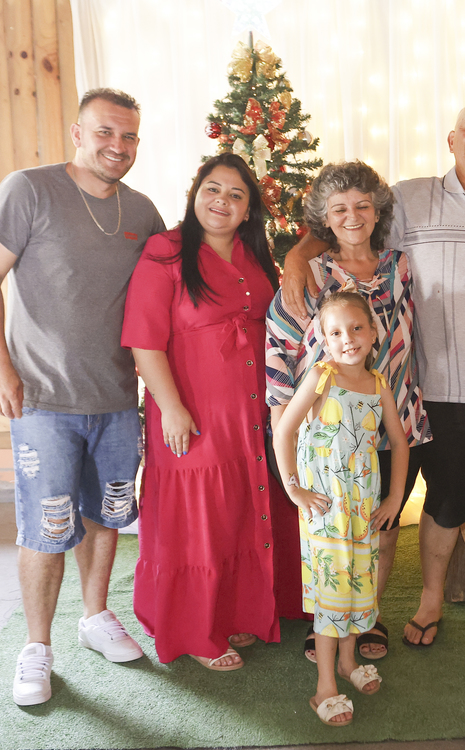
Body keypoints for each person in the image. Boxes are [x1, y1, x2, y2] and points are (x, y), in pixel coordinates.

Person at [283, 100, 465, 658]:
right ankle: (430, 601)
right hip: (436, 390)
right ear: (451, 140)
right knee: (445, 501)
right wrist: (297, 256)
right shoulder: (411, 199)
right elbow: (348, 225)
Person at [0, 88, 165, 706]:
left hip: (116, 398)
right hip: (42, 401)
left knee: (107, 515)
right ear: (78, 133)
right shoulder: (29, 190)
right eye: (105, 132)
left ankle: (95, 616)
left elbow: (164, 296)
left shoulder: (143, 211)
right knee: (46, 526)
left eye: (128, 136)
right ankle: (36, 646)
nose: (117, 146)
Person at [121, 153, 301, 670]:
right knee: (199, 520)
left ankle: (239, 611)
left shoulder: (255, 254)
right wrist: (171, 409)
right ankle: (196, 631)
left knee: (241, 509)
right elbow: (144, 342)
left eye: (236, 195)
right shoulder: (166, 252)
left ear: (249, 210)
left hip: (253, 413)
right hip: (192, 412)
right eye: (213, 189)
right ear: (195, 194)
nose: (222, 201)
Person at [265, 161, 430, 662]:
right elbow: (280, 353)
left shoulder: (401, 266)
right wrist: (285, 442)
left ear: (377, 210)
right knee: (328, 537)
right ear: (324, 218)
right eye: (339, 209)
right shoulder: (309, 274)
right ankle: (328, 623)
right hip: (330, 437)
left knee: (382, 530)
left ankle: (366, 617)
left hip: (394, 416)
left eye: (362, 205)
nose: (353, 216)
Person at [273, 290, 409, 726]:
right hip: (327, 510)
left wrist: (394, 498)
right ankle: (324, 686)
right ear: (323, 338)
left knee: (357, 587)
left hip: (363, 507)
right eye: (335, 333)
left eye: (356, 328)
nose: (347, 339)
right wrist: (294, 490)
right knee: (332, 596)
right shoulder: (321, 376)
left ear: (373, 332)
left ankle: (349, 663)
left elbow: (400, 443)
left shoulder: (380, 384)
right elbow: (284, 432)